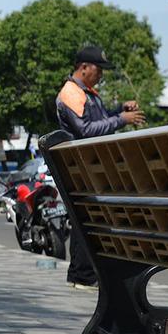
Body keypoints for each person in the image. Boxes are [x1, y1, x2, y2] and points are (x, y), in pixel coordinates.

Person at [55, 45, 145, 290]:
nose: (101, 75)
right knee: (87, 220)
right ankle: (83, 275)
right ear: (84, 67)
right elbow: (85, 131)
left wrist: (119, 111)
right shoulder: (71, 93)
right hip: (81, 165)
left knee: (90, 219)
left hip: (91, 165)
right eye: (98, 69)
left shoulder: (87, 92)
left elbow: (98, 120)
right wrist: (121, 120)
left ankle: (83, 274)